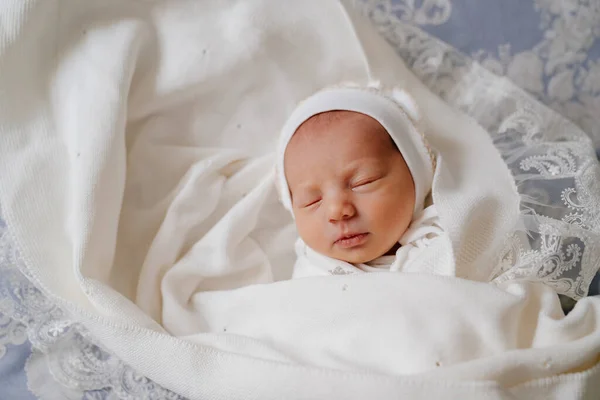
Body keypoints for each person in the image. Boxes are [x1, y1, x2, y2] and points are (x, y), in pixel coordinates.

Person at [276, 83, 449, 278]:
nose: (337, 211)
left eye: (363, 182)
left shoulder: (450, 239)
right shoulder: (310, 278)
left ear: (417, 171)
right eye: (311, 201)